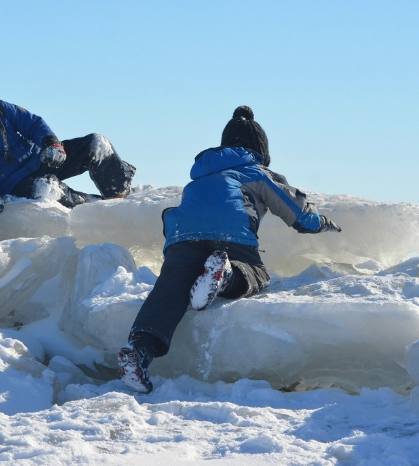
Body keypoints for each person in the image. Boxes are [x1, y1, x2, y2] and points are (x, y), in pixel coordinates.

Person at [118, 105, 342, 393]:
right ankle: (225, 275)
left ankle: (138, 350)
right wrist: (321, 223)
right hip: (231, 236)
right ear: (259, 150)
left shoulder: (199, 177)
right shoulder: (256, 172)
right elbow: (296, 212)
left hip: (183, 237)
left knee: (170, 290)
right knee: (257, 273)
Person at [0, 65, 135, 222]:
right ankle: (99, 215)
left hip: (40, 159)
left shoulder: (0, 109)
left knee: (96, 144)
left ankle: (122, 195)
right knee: (47, 188)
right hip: (15, 183)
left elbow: (32, 124)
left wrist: (51, 143)